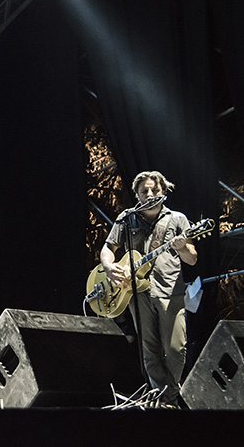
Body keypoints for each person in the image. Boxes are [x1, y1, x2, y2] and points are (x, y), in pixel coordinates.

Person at [99, 171, 197, 406]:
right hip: (137, 292)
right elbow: (107, 248)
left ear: (163, 191)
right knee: (149, 351)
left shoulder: (177, 219)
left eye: (155, 190)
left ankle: (168, 397)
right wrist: (108, 266)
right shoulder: (126, 218)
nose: (150, 194)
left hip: (170, 291)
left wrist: (183, 247)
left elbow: (192, 259)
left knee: (175, 349)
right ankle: (164, 403)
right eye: (145, 191)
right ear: (137, 195)